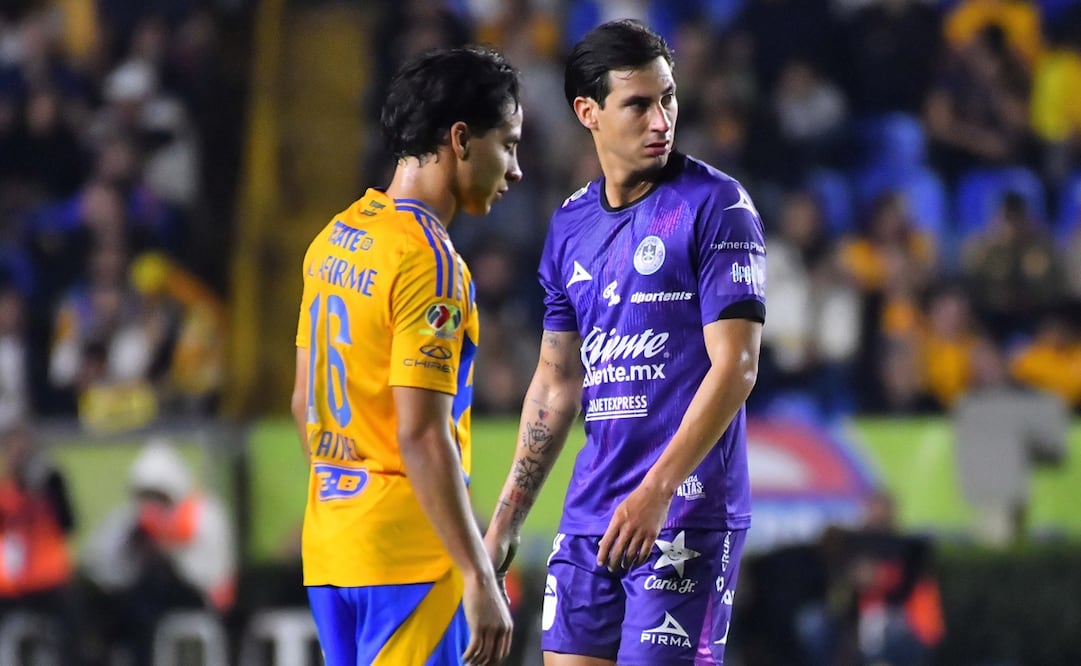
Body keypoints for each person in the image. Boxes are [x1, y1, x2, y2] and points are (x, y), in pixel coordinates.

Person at [483, 20, 766, 665]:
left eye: (667, 98)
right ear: (589, 112)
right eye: (638, 104)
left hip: (684, 512)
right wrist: (505, 522)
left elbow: (738, 366)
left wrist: (658, 489)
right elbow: (556, 385)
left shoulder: (718, 206)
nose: (661, 118)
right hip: (591, 513)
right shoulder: (570, 225)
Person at [290, 46, 522, 666]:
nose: (516, 169)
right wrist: (477, 572)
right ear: (461, 139)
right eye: (509, 143)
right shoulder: (431, 263)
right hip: (409, 561)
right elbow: (421, 434)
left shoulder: (336, 236)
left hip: (331, 548)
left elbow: (301, 401)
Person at [81, 437, 236, 665]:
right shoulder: (134, 519)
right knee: (102, 608)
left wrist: (169, 548)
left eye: (158, 496)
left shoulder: (204, 513)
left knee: (143, 609)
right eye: (146, 496)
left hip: (196, 598)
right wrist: (134, 543)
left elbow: (213, 572)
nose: (151, 505)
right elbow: (97, 560)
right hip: (144, 597)